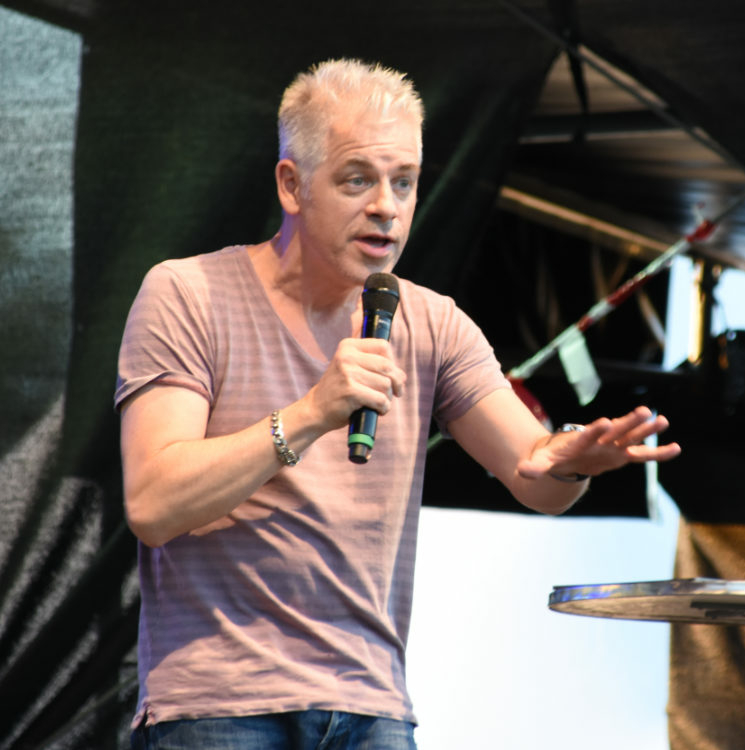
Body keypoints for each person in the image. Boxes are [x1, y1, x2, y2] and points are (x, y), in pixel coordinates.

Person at [115, 58, 681, 749]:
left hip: (371, 704)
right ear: (292, 185)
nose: (387, 205)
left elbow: (535, 476)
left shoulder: (431, 322)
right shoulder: (188, 293)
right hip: (218, 705)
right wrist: (312, 412)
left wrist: (569, 459)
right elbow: (152, 504)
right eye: (358, 180)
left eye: (404, 182)